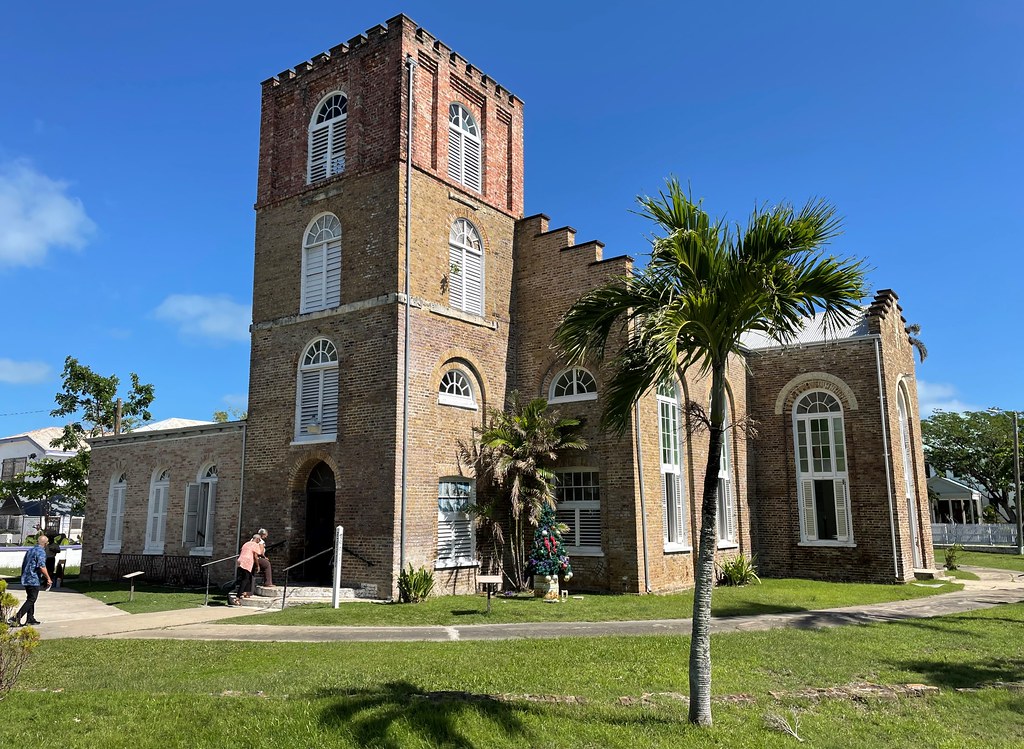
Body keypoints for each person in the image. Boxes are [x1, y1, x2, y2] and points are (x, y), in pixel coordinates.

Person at [9, 535, 52, 627]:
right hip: (33, 579)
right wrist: (48, 578)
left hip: (26, 577)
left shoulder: (30, 550)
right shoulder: (41, 552)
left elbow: (24, 563)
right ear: (45, 543)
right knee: (32, 599)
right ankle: (16, 618)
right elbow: (42, 566)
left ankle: (30, 618)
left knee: (30, 599)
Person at [231, 534, 262, 604]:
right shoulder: (255, 545)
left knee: (248, 577)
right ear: (257, 539)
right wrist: (258, 566)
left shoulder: (246, 543)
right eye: (259, 540)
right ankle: (237, 597)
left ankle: (245, 593)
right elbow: (255, 556)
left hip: (240, 561)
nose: (259, 541)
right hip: (247, 562)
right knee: (245, 579)